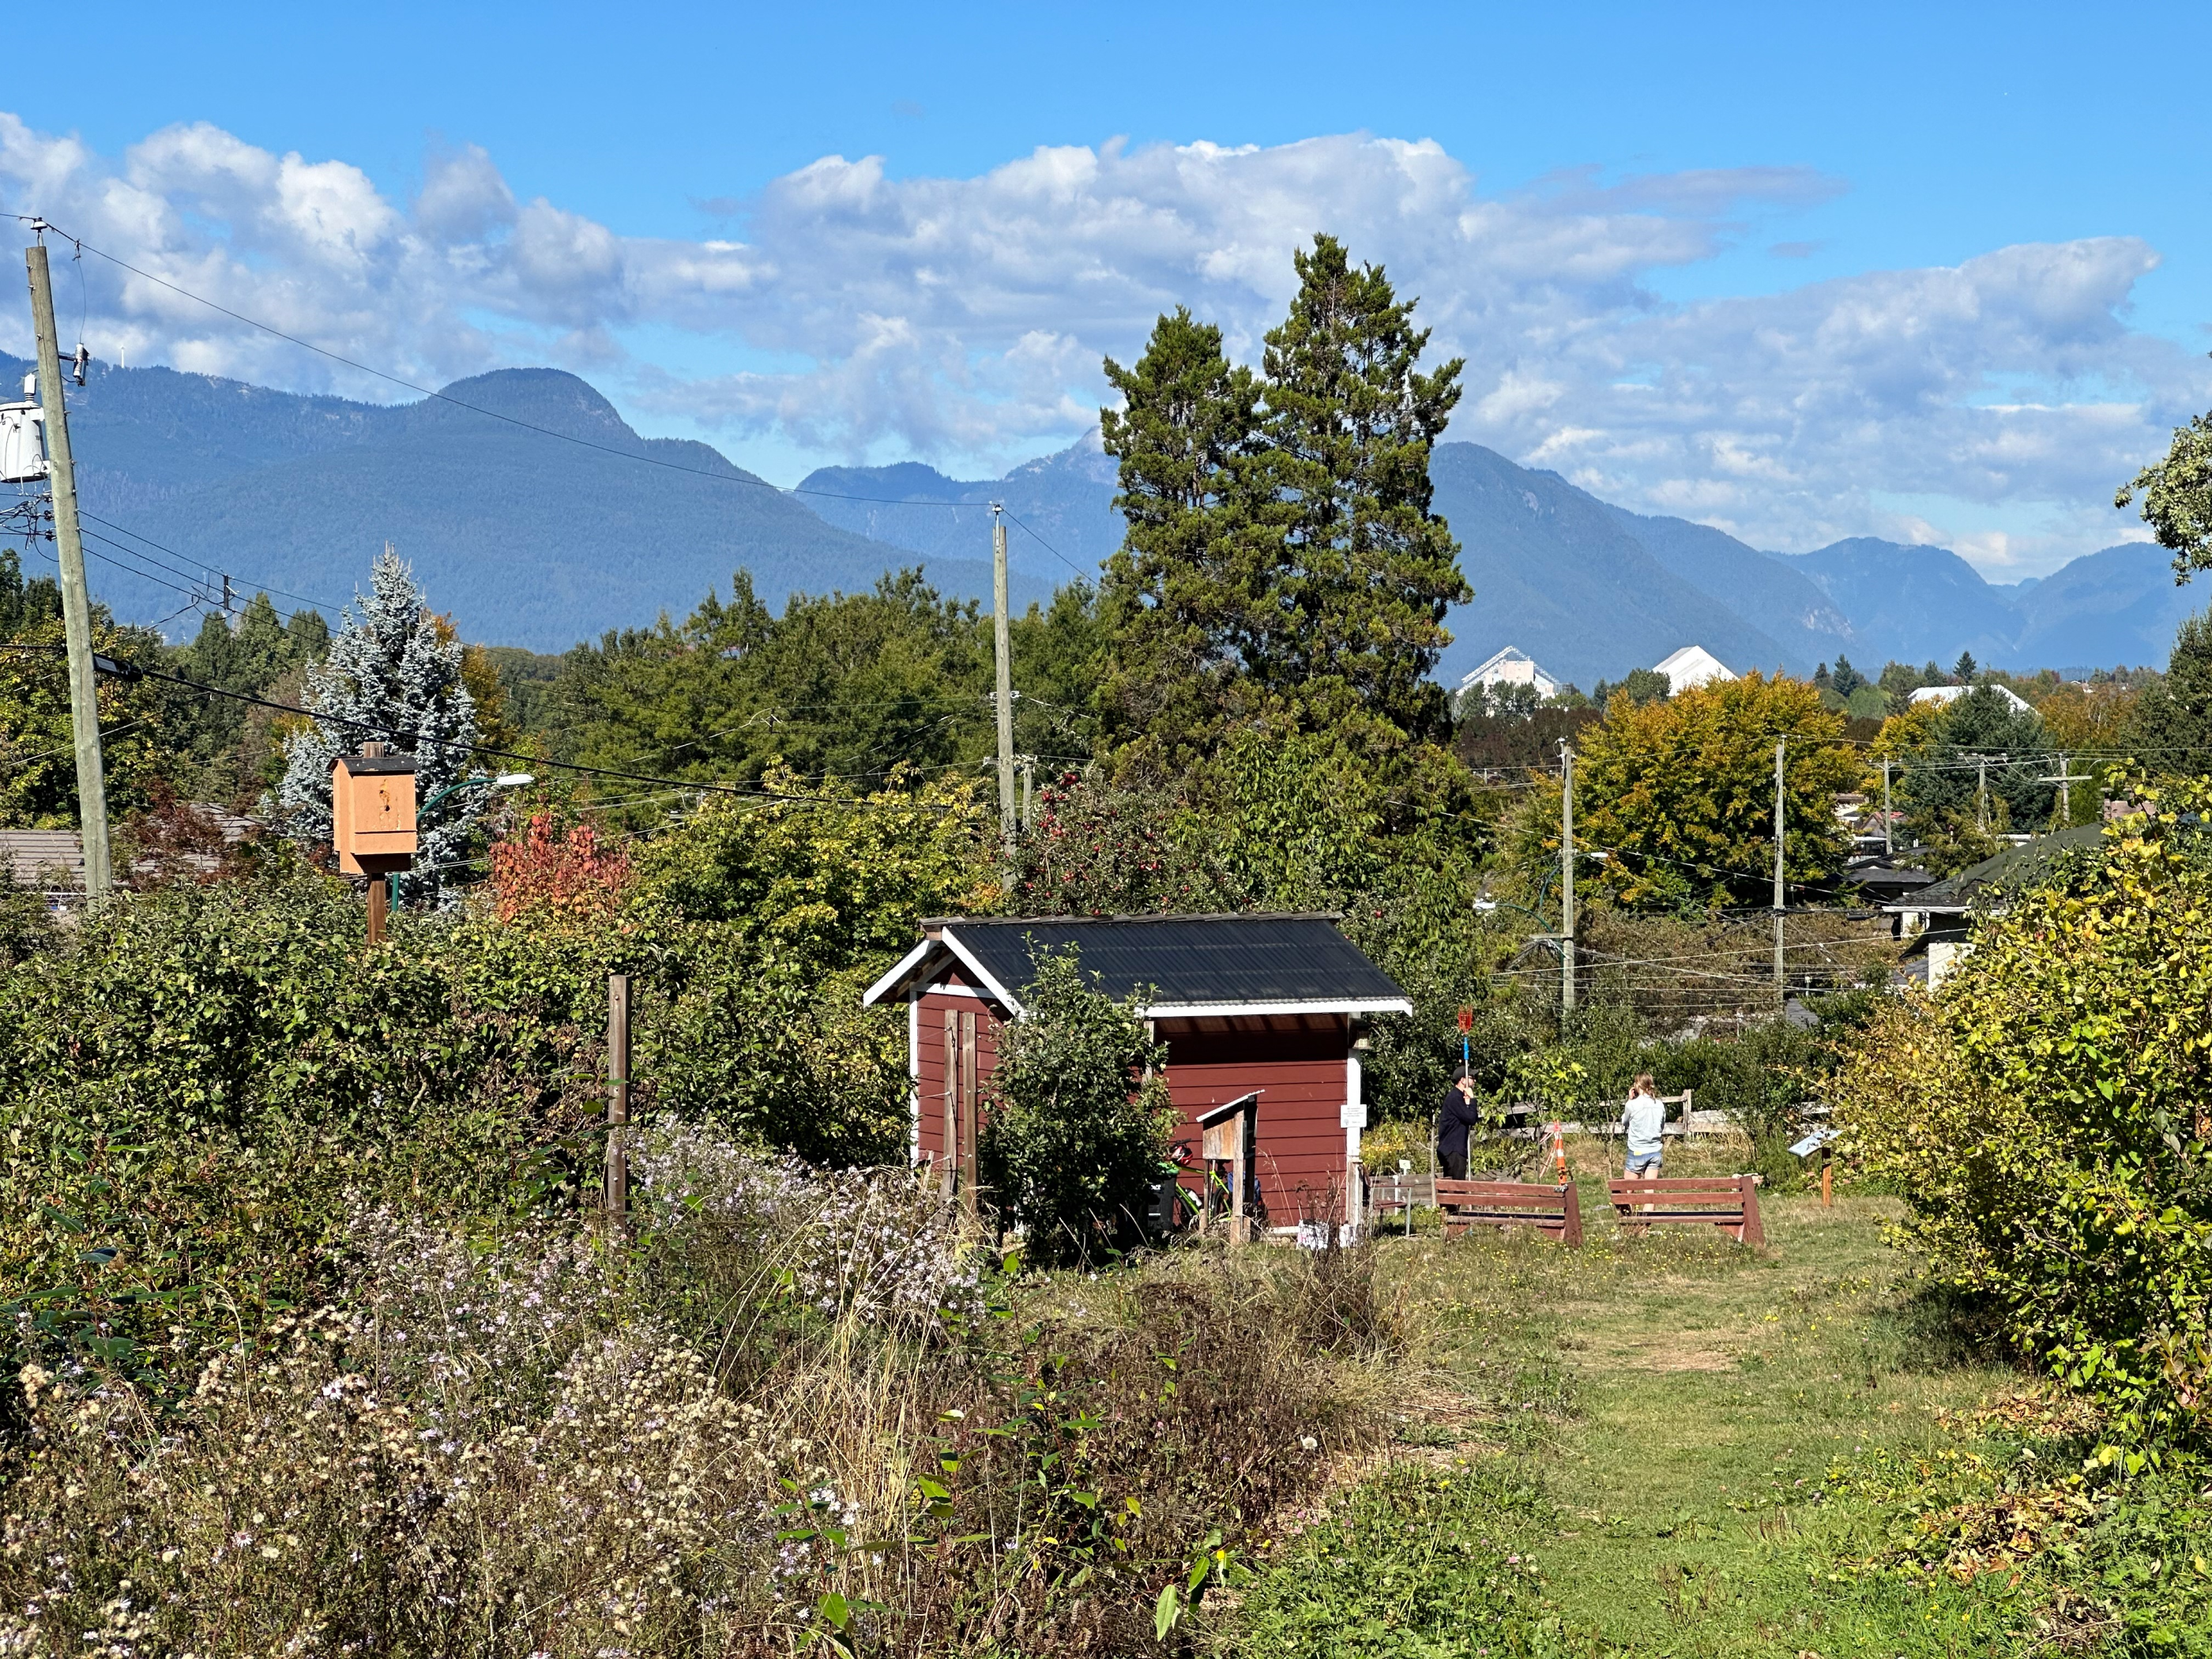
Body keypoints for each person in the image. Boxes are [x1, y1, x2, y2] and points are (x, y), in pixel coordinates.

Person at [1436, 1068, 1482, 1181]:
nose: (1474, 1081)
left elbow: (1471, 1118)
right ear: (1462, 1080)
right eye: (1472, 1078)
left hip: (1455, 1149)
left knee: (1454, 1189)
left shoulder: (1459, 1097)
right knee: (1456, 1188)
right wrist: (1472, 1100)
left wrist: (1468, 1103)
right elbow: (1471, 1119)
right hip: (1453, 1150)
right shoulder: (1455, 1098)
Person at [1623, 1073, 1665, 1187]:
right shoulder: (1660, 1105)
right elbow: (1661, 1126)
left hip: (1637, 1151)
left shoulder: (1631, 1105)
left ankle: (1630, 1205)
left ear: (1637, 1085)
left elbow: (1625, 1122)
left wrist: (1630, 1100)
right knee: (1650, 1194)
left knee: (1627, 1190)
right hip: (1654, 1151)